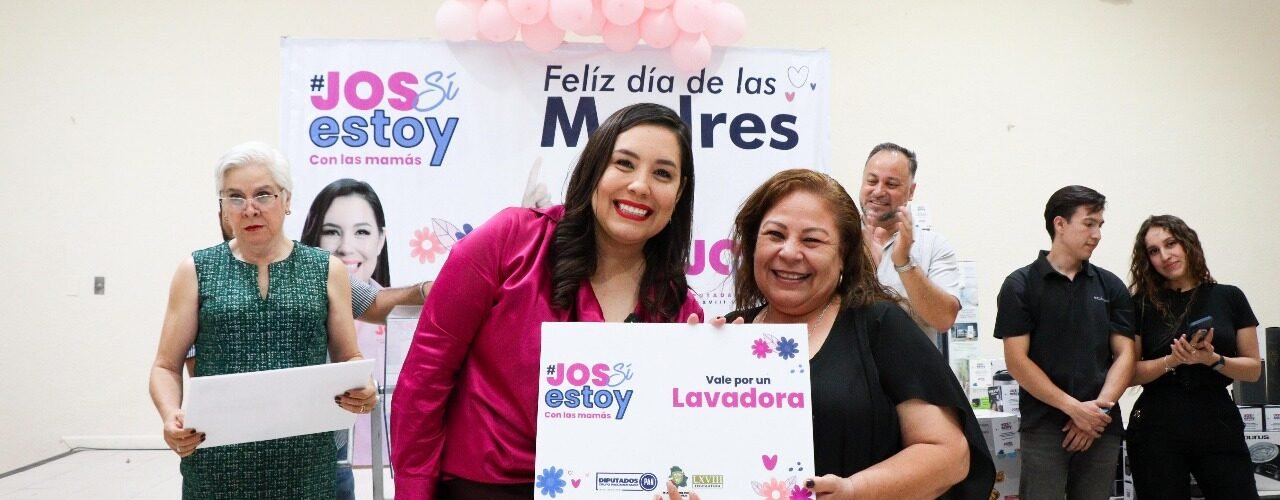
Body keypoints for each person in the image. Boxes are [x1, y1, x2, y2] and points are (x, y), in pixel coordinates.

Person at [391, 103, 705, 499]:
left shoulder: (682, 310)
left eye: (662, 173)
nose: (641, 186)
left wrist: (720, 356)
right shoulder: (509, 240)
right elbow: (424, 381)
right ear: (594, 169)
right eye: (624, 163)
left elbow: (677, 441)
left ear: (679, 194)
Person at [725, 169, 994, 499]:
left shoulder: (879, 325)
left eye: (812, 240)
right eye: (775, 235)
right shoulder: (728, 332)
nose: (790, 252)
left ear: (843, 256)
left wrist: (853, 491)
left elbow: (949, 455)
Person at [148, 142, 378, 498]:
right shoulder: (196, 270)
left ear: (287, 200)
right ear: (223, 207)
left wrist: (363, 387)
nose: (250, 208)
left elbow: (349, 357)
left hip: (306, 468)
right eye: (235, 197)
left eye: (263, 195)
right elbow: (165, 366)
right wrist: (169, 415)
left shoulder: (326, 270)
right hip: (217, 467)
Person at [994, 185, 1136, 500]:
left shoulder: (1110, 286)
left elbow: (1126, 354)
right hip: (1045, 426)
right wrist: (1074, 409)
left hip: (1101, 424)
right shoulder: (1020, 285)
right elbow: (1017, 361)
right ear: (1060, 224)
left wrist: (1096, 412)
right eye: (1089, 223)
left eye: (1100, 225)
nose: (1097, 234)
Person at [1125, 215, 1261, 498]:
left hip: (1217, 421)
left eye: (1170, 243)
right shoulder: (1140, 305)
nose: (1165, 256)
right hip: (1156, 424)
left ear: (1188, 244)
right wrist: (1172, 361)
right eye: (1153, 251)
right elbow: (1128, 373)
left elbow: (1252, 370)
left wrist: (1212, 359)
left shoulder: (1230, 297)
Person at [859, 143, 961, 346]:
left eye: (891, 184)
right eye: (872, 181)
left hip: (910, 365)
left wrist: (904, 262)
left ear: (911, 191)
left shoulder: (934, 246)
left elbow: (943, 319)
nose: (878, 191)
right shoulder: (836, 239)